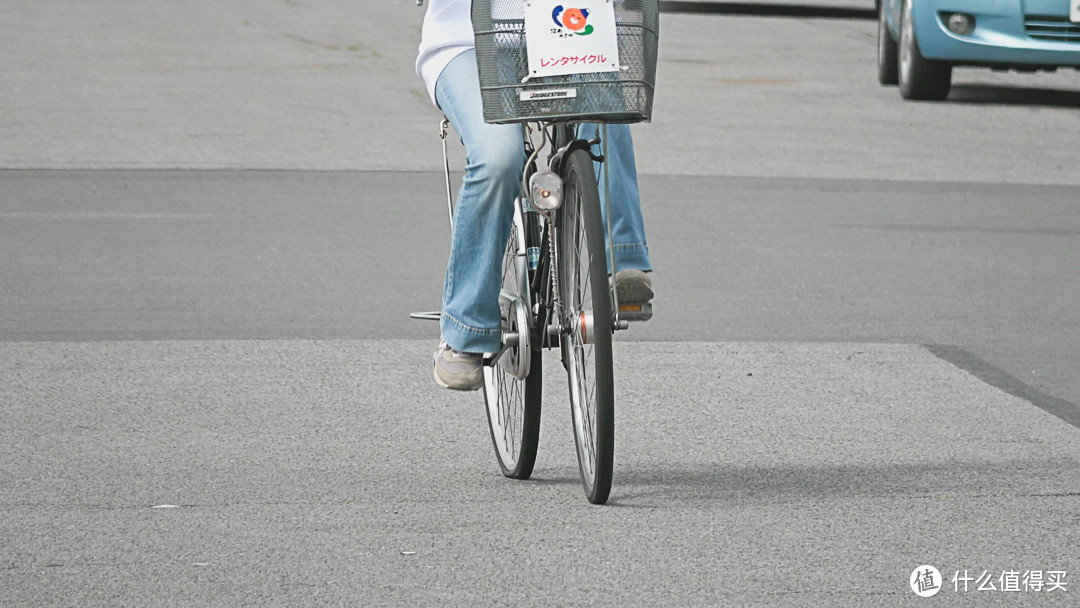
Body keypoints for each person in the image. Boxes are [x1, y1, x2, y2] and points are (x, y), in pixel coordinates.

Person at [417, 0, 654, 390]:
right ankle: (465, 328)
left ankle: (625, 261)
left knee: (607, 115)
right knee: (498, 157)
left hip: (569, 31)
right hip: (470, 43)